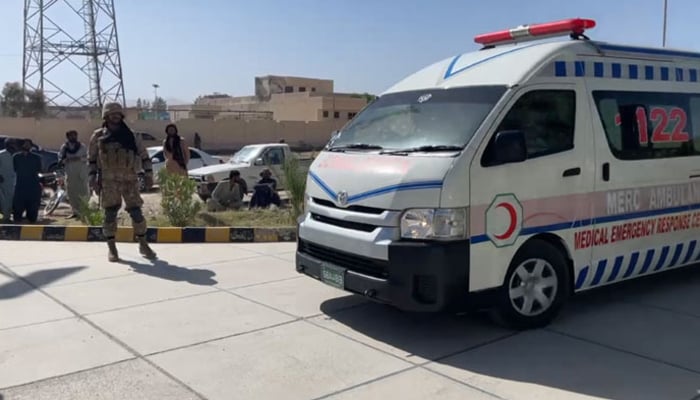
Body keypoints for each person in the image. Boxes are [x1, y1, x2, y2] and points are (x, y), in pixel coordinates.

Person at [88, 102, 156, 262]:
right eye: (112, 114)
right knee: (110, 214)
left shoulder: (131, 135)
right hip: (109, 181)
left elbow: (144, 156)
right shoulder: (98, 136)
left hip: (130, 180)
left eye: (118, 114)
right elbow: (91, 159)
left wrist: (148, 174)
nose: (115, 116)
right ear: (106, 116)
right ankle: (112, 247)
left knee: (137, 213)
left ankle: (143, 243)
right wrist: (92, 179)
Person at [59, 130, 89, 219]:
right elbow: (61, 159)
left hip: (81, 173)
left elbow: (87, 157)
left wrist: (78, 158)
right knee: (72, 193)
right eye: (71, 136)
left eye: (74, 135)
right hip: (70, 173)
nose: (73, 137)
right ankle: (75, 212)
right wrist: (67, 160)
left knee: (83, 192)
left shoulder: (82, 146)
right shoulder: (64, 147)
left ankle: (84, 212)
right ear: (68, 137)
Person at [12, 139, 43, 223]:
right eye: (25, 144)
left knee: (33, 207)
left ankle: (31, 218)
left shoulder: (36, 158)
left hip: (33, 185)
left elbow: (39, 170)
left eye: (29, 144)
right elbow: (14, 169)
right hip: (20, 185)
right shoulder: (16, 157)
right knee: (18, 207)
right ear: (21, 145)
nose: (27, 146)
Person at [0, 139, 18, 222]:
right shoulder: (1, 154)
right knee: (4, 200)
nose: (14, 146)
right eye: (12, 144)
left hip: (12, 181)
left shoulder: (16, 155)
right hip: (3, 180)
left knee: (10, 200)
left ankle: (7, 217)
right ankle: (5, 218)